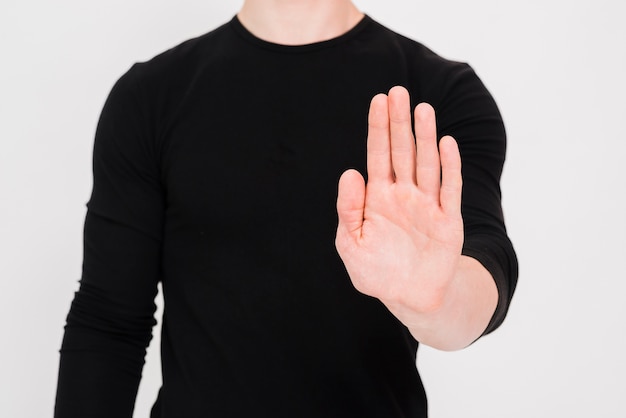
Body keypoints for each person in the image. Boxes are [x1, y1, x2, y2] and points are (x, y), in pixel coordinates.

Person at [55, 0, 518, 417]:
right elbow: (109, 320)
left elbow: (485, 269)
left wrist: (434, 301)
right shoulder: (149, 97)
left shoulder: (441, 96)